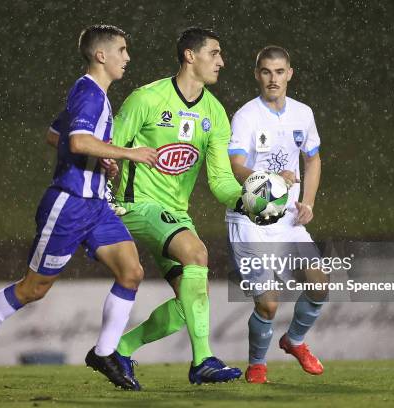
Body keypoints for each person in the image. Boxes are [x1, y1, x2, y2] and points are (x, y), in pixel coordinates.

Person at [0, 24, 157, 391]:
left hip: (97, 207)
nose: (127, 57)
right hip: (69, 205)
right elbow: (77, 141)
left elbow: (56, 135)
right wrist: (128, 154)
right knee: (34, 289)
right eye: (122, 50)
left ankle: (105, 353)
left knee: (131, 271)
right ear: (101, 55)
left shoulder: (93, 94)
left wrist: (103, 161)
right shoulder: (90, 93)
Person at [110, 27, 244, 386]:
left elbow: (220, 181)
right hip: (134, 204)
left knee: (192, 301)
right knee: (197, 253)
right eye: (214, 53)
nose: (221, 62)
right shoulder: (147, 99)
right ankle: (203, 361)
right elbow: (109, 146)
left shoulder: (215, 114)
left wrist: (246, 200)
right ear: (190, 56)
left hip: (174, 214)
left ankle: (118, 348)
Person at [226, 45, 329, 383]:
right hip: (252, 219)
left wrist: (308, 203)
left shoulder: (303, 113)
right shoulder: (246, 116)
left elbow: (312, 159)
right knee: (268, 305)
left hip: (287, 220)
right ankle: (257, 364)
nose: (273, 79)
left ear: (290, 74)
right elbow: (236, 166)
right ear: (258, 75)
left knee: (319, 283)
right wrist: (270, 182)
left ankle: (294, 341)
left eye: (279, 72)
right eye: (266, 72)